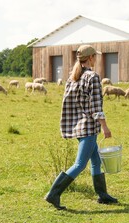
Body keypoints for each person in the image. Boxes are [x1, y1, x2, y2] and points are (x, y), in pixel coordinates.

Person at [44, 45, 118, 210]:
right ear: (91, 58)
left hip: (78, 126)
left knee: (96, 161)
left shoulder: (73, 77)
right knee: (80, 164)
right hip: (89, 127)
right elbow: (96, 105)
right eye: (95, 57)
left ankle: (103, 195)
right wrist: (104, 126)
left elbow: (68, 104)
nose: (96, 59)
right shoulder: (93, 77)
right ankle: (53, 194)